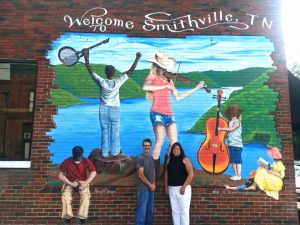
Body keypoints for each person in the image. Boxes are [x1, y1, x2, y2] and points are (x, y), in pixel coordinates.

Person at [143, 50, 205, 176]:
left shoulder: (170, 81)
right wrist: (164, 87)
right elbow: (146, 87)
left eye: (165, 67)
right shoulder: (152, 77)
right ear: (157, 67)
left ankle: (165, 170)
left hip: (169, 114)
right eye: (162, 67)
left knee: (173, 142)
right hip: (156, 112)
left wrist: (196, 88)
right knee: (159, 141)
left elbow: (179, 97)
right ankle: (154, 172)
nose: (164, 70)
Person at [82, 49, 141, 158]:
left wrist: (86, 57)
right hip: (115, 109)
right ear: (114, 73)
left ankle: (104, 153)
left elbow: (90, 70)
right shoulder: (118, 82)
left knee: (105, 131)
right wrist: (137, 58)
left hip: (103, 108)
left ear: (106, 73)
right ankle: (114, 152)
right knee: (115, 131)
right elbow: (130, 71)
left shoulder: (102, 82)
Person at [58, 146, 97, 225]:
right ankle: (67, 217)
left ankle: (81, 217)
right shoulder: (67, 161)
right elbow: (60, 175)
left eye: (79, 156)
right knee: (65, 196)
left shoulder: (86, 161)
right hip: (70, 181)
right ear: (73, 154)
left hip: (82, 182)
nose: (77, 158)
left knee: (86, 196)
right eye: (76, 156)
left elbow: (94, 173)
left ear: (81, 154)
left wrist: (85, 183)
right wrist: (70, 183)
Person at [165, 142, 194, 225]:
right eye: (174, 149)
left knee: (184, 212)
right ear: (172, 150)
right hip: (172, 189)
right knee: (175, 211)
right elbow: (166, 174)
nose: (176, 150)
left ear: (180, 150)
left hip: (183, 189)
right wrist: (166, 187)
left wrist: (184, 187)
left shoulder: (185, 159)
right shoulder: (169, 159)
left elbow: (191, 174)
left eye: (177, 149)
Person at [218, 104, 244, 181]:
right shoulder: (232, 121)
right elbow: (227, 122)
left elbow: (232, 128)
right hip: (232, 144)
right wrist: (220, 116)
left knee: (237, 160)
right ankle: (236, 175)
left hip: (237, 144)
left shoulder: (237, 122)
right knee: (233, 160)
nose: (231, 115)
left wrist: (221, 129)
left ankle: (238, 175)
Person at [135, 138, 156, 225]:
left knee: (149, 210)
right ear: (142, 146)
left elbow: (153, 171)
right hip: (143, 188)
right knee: (142, 211)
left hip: (151, 188)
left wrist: (153, 183)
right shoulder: (140, 158)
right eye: (145, 145)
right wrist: (150, 185)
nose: (146, 147)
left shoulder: (151, 158)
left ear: (150, 146)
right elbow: (141, 174)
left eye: (148, 145)